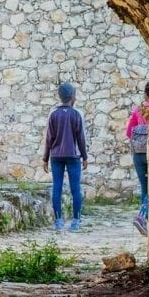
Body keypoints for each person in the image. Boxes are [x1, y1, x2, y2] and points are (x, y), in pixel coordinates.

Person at [42, 82, 88, 232]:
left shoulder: (53, 114)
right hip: (73, 156)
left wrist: (45, 158)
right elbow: (81, 138)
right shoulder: (77, 114)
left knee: (57, 187)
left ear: (60, 97)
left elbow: (49, 138)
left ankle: (58, 220)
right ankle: (75, 220)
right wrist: (85, 156)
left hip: (56, 156)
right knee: (76, 188)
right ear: (73, 97)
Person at [126, 80, 149, 236]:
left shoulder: (138, 110)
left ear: (146, 94)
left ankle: (144, 221)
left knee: (145, 187)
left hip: (138, 154)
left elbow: (129, 133)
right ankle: (142, 216)